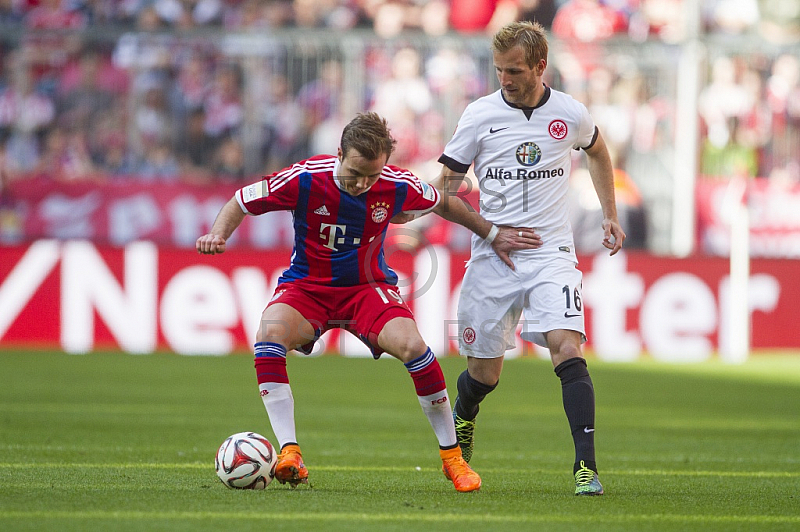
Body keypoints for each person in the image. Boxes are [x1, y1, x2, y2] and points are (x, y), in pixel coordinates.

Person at [196, 112, 539, 492]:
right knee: (268, 336)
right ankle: (290, 450)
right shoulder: (304, 178)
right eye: (355, 172)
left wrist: (491, 233)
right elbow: (241, 201)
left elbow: (444, 202)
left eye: (372, 175)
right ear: (338, 152)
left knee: (414, 346)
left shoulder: (395, 185)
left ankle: (452, 460)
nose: (362, 184)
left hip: (366, 289)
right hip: (308, 288)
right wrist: (217, 233)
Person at [434, 21, 626, 496]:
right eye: (499, 70)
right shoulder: (478, 115)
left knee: (567, 346)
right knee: (485, 375)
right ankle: (465, 411)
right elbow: (443, 193)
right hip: (491, 259)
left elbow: (599, 152)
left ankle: (586, 468)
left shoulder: (569, 113)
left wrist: (609, 214)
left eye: (515, 70)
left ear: (541, 66)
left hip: (551, 254)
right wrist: (491, 232)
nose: (505, 79)